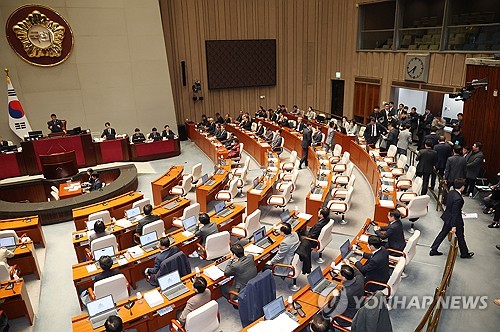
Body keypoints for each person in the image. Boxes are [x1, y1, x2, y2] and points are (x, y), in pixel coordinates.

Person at [430, 179, 474, 258]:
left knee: (443, 233)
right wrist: (454, 226)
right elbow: (455, 212)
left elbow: (452, 206)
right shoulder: (459, 198)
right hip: (455, 220)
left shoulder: (450, 192)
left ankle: (434, 248)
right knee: (460, 236)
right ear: (463, 187)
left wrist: (461, 211)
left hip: (448, 217)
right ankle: (464, 253)